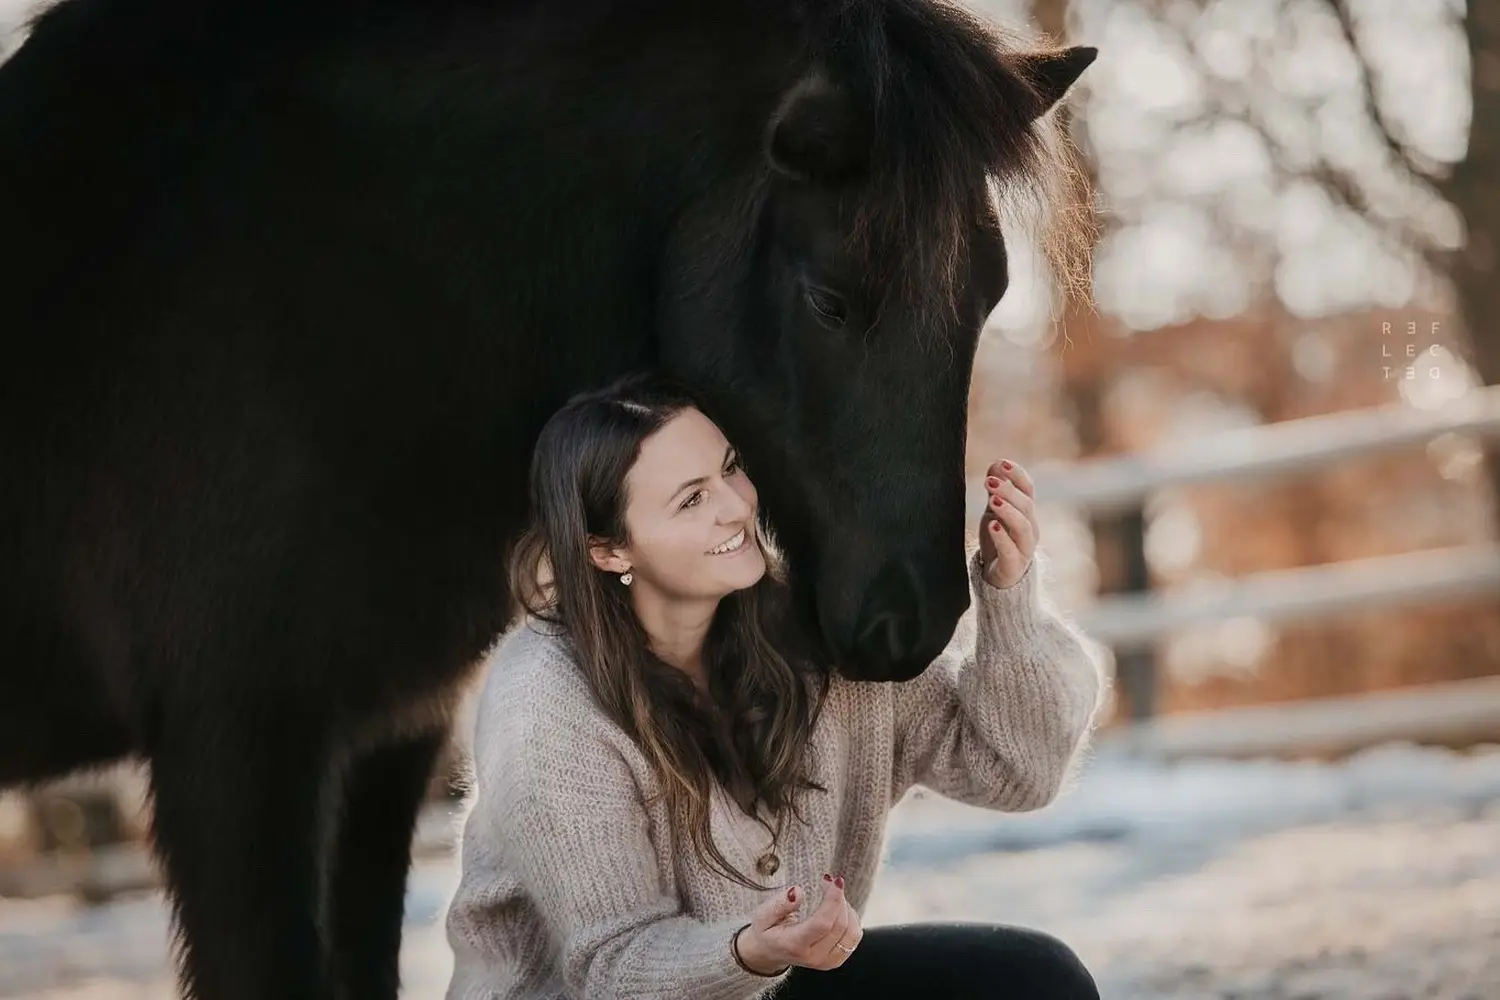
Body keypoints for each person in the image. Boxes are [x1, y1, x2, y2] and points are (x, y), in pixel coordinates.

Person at [444, 374, 1106, 1000]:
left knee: (1033, 980)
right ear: (609, 550)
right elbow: (613, 970)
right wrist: (747, 952)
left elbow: (1015, 772)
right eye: (692, 498)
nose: (736, 506)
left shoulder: (812, 633)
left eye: (730, 468)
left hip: (769, 981)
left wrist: (1009, 598)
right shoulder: (546, 703)